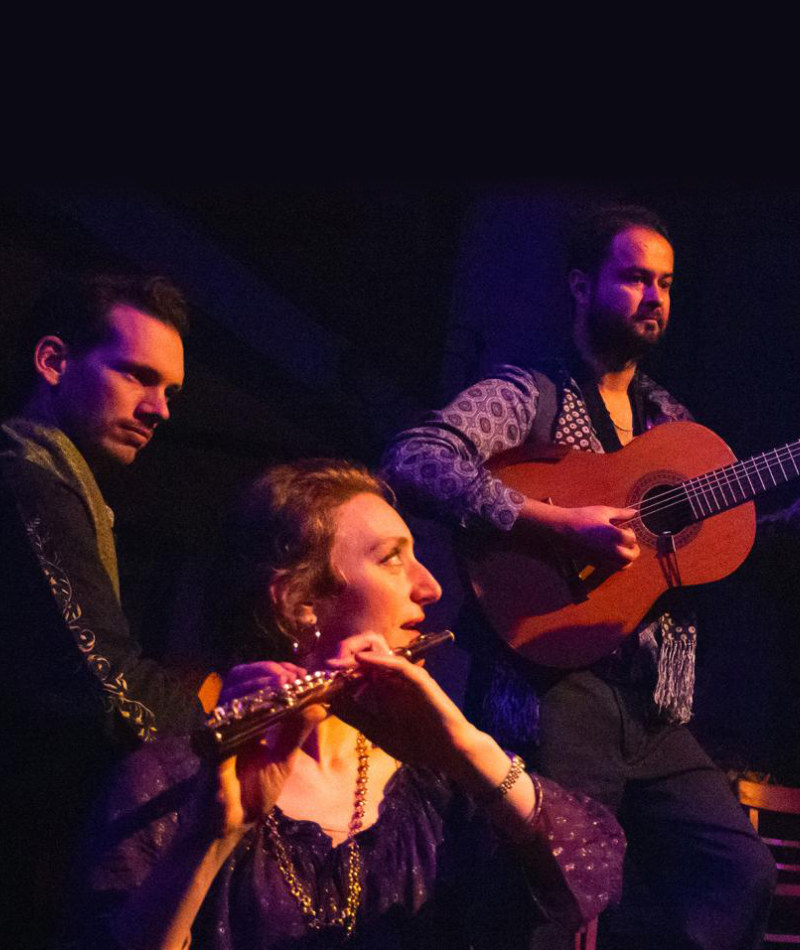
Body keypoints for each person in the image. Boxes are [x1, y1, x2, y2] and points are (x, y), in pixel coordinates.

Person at [381, 206, 776, 949]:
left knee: (736, 873)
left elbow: (720, 540)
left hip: (654, 706)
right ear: (580, 284)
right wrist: (552, 522)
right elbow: (415, 457)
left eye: (666, 283)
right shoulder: (528, 395)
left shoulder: (674, 425)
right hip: (556, 694)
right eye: (635, 278)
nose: (654, 297)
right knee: (544, 896)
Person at [70, 459, 624, 949]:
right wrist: (208, 840)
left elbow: (590, 876)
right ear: (299, 602)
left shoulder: (437, 780)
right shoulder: (168, 785)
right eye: (392, 559)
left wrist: (469, 748)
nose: (430, 587)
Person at [0, 274, 205, 949]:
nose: (160, 409)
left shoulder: (57, 484)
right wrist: (236, 724)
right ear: (54, 361)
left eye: (171, 392)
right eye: (138, 376)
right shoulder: (27, 478)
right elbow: (110, 688)